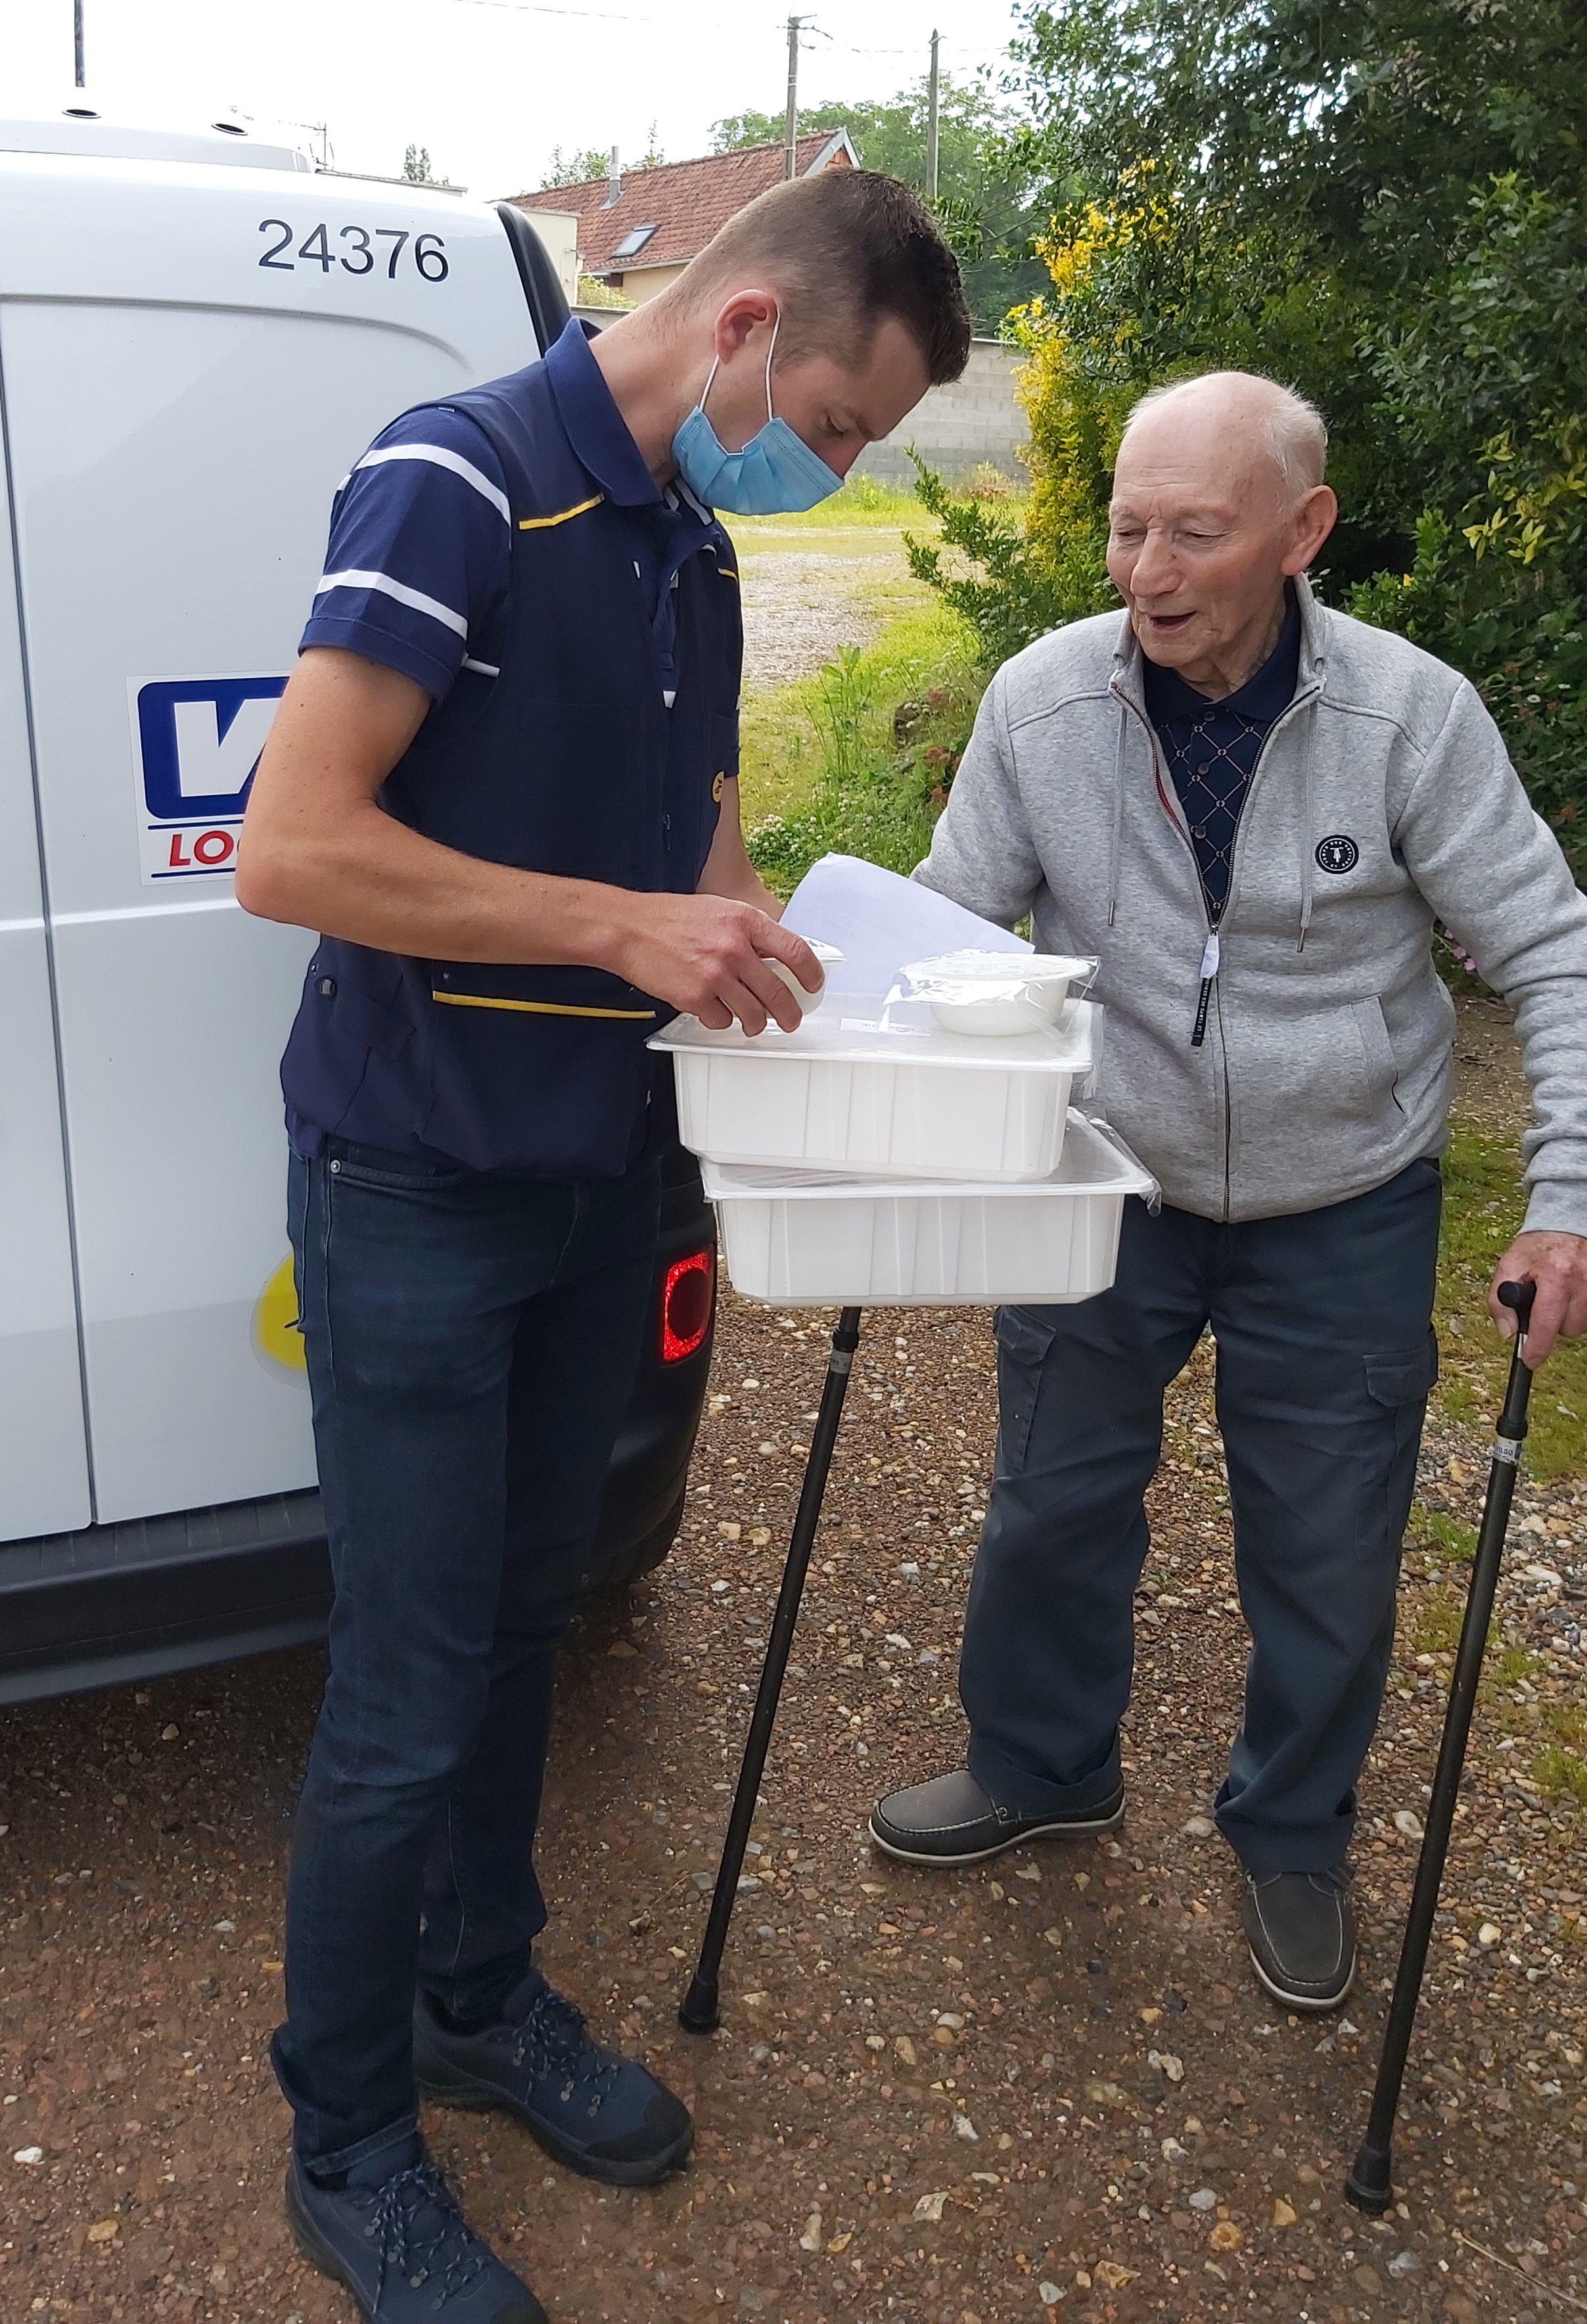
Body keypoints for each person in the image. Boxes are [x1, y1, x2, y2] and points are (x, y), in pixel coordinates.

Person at [237, 168, 971, 2324]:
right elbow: (294, 845)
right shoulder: (452, 476)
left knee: (525, 1622)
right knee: (398, 1683)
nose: (828, 469)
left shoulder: (696, 548)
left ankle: (478, 1991)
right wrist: (618, 924)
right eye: (833, 421)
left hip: (597, 1176)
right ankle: (348, 2129)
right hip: (417, 1178)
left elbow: (708, 849)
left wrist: (787, 966)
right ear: (742, 328)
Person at [870, 371, 1587, 2017]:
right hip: (1102, 1174)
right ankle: (1043, 1763)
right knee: (1048, 1501)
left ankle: (1291, 1829)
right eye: (1127, 526)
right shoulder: (1042, 701)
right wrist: (848, 1062)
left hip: (1343, 1196)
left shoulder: (1409, 716)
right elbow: (948, 928)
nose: (1148, 570)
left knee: (1327, 1553)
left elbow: (1550, 951)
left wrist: (1559, 1200)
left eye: (1194, 531)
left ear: (1299, 530)